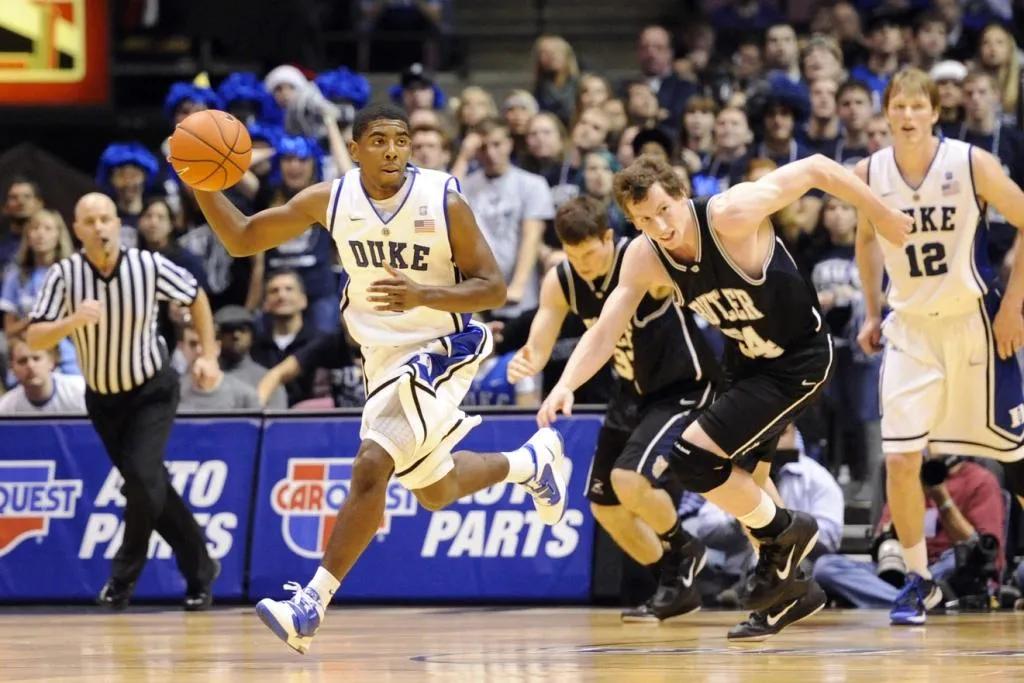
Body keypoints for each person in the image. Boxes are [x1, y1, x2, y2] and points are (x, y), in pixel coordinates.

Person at [192, 103, 570, 654]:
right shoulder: (332, 198)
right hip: (383, 358)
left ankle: (310, 605)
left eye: (401, 140)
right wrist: (202, 182)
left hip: (446, 344)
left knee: (372, 464)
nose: (392, 150)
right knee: (435, 489)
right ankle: (530, 463)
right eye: (379, 141)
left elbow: (493, 288)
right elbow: (244, 238)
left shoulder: (443, 199)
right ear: (355, 148)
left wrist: (425, 295)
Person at [538, 154, 910, 640]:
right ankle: (790, 591)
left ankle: (786, 534)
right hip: (748, 362)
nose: (660, 226)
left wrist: (879, 212)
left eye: (664, 210)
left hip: (799, 359)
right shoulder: (644, 255)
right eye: (644, 221)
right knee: (747, 482)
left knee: (692, 458)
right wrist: (566, 383)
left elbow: (817, 167)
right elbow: (607, 329)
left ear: (680, 193)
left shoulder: (731, 213)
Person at [854, 68, 1024, 626]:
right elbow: (866, 242)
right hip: (910, 330)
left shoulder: (970, 162)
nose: (906, 116)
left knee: (1016, 459)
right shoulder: (869, 172)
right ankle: (919, 582)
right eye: (897, 107)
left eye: (916, 107)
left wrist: (1012, 307)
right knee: (901, 460)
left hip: (973, 322)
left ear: (934, 113)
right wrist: (873, 312)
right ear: (886, 114)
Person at [510, 196, 719, 621]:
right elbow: (540, 340)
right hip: (630, 394)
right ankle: (674, 582)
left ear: (609, 238)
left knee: (628, 479)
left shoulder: (640, 259)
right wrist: (527, 359)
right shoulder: (562, 280)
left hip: (683, 386)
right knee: (605, 505)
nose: (583, 265)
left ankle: (686, 548)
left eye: (590, 253)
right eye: (573, 256)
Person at [26, 192, 220, 611]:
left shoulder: (146, 266)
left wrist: (208, 354)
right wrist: (72, 321)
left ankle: (121, 580)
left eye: (106, 219)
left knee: (140, 478)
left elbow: (196, 295)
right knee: (150, 487)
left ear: (118, 225)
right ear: (77, 231)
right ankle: (201, 569)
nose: (99, 227)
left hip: (152, 390)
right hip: (103, 400)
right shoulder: (64, 276)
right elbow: (34, 336)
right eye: (90, 221)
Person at [814, 456, 1006, 608]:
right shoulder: (906, 479)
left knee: (957, 559)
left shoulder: (980, 479)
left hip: (945, 571)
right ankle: (914, 601)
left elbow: (983, 552)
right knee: (826, 566)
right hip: (904, 570)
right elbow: (885, 540)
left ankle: (903, 597)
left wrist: (942, 499)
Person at [462, 117, 555, 319]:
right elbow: (442, 207)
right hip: (479, 294)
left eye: (497, 144)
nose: (490, 153)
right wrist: (463, 156)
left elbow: (532, 237)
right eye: (483, 147)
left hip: (522, 295)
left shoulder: (532, 184)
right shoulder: (465, 186)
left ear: (509, 144)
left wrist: (517, 286)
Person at [1, 209, 79, 379]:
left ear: (59, 235)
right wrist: (35, 318)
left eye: (47, 228)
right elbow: (9, 331)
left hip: (68, 357)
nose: (40, 234)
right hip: (28, 351)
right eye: (35, 228)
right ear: (27, 235)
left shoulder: (74, 273)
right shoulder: (16, 275)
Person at [213, 305, 287, 408]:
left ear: (253, 336)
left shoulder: (267, 380)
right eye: (228, 330)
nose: (236, 335)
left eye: (243, 329)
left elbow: (277, 422)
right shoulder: (201, 377)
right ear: (216, 336)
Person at [177, 323, 260, 411]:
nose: (198, 350)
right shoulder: (171, 394)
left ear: (217, 347)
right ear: (181, 347)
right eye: (193, 344)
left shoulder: (245, 396)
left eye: (204, 344)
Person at [0, 336, 85, 414]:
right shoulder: (5, 408)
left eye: (36, 358)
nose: (30, 365)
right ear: (12, 368)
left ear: (51, 361)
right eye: (22, 361)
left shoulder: (81, 391)